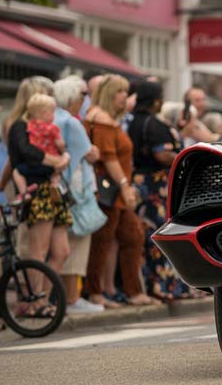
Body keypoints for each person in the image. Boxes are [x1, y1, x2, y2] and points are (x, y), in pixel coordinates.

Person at [84, 74, 158, 307]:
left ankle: (132, 292)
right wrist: (126, 186)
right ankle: (96, 292)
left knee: (131, 235)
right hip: (110, 190)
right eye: (119, 92)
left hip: (116, 190)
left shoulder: (107, 119)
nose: (125, 96)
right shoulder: (101, 119)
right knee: (103, 240)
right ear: (108, 94)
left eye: (126, 92)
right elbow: (109, 158)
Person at [4, 77, 72, 318]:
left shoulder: (48, 126)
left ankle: (40, 295)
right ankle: (35, 301)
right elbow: (27, 154)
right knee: (38, 248)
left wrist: (62, 159)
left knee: (61, 250)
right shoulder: (20, 126)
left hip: (52, 190)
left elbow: (60, 150)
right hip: (36, 188)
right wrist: (59, 161)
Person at [128, 80, 196, 301]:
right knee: (161, 235)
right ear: (156, 100)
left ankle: (155, 283)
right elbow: (161, 153)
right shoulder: (153, 124)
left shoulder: (132, 123)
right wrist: (183, 157)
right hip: (154, 186)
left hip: (139, 182)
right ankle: (163, 285)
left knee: (148, 236)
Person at [53, 76, 104, 314]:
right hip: (78, 189)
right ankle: (72, 298)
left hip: (62, 188)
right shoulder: (72, 123)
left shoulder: (54, 119)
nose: (86, 99)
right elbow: (90, 155)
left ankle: (66, 297)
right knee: (77, 245)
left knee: (65, 244)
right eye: (83, 94)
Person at [24, 94, 67, 192]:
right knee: (57, 171)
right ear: (44, 113)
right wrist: (64, 151)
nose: (54, 115)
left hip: (34, 159)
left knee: (17, 172)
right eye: (52, 112)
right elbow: (60, 144)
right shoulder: (52, 128)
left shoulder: (29, 125)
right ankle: (54, 184)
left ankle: (24, 191)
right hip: (50, 158)